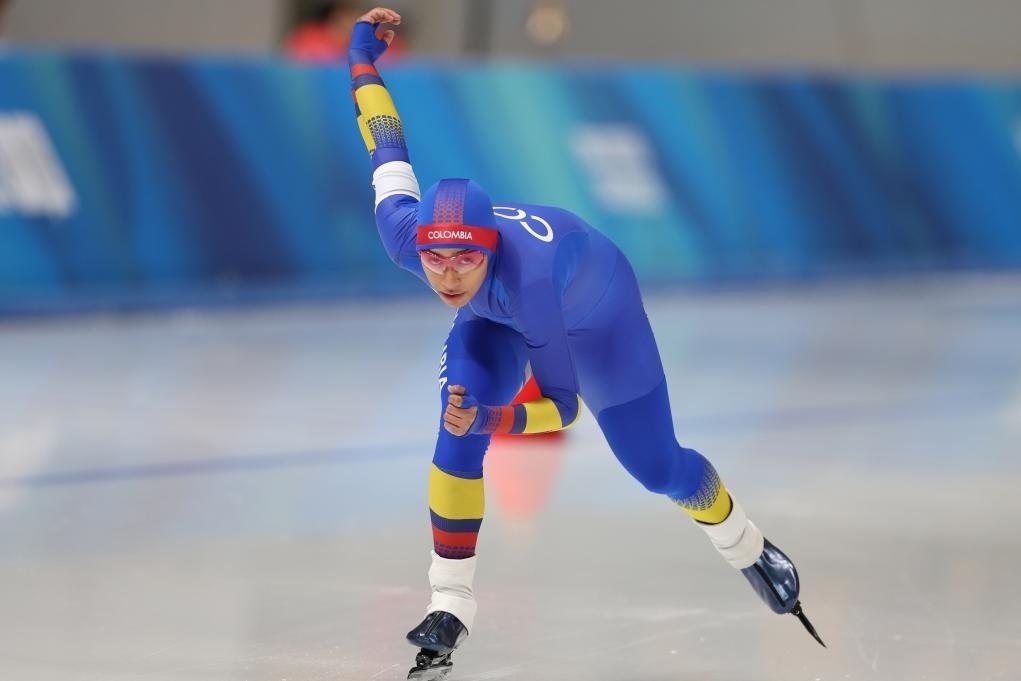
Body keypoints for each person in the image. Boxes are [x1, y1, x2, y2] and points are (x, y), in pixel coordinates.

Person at [347, 7, 824, 679]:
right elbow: (385, 141)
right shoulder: (403, 233)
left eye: (465, 260)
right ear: (416, 244)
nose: (448, 278)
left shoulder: (530, 281)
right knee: (454, 424)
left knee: (657, 468)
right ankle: (448, 603)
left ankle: (744, 543)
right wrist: (362, 60)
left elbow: (565, 408)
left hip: (599, 319)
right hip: (497, 318)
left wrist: (499, 419)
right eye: (436, 261)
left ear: (490, 249)